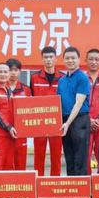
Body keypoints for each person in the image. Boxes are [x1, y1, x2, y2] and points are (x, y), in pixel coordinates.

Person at [58, 47, 92, 176]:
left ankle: (81, 186)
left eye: (73, 58)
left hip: (79, 120)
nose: (70, 60)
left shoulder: (82, 78)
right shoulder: (62, 80)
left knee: (80, 157)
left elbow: (78, 103)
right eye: (67, 58)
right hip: (65, 120)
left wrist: (67, 123)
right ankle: (71, 184)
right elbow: (57, 102)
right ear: (63, 60)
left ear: (79, 60)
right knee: (69, 156)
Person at [29, 46, 63, 176]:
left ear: (56, 59)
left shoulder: (63, 78)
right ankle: (38, 181)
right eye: (46, 57)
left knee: (56, 156)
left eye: (51, 57)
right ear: (42, 59)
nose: (48, 60)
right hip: (39, 123)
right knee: (39, 155)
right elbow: (31, 99)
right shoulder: (34, 78)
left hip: (56, 123)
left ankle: (55, 182)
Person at [7, 58, 31, 171]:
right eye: (10, 70)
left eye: (15, 70)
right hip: (5, 128)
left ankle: (21, 181)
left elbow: (31, 109)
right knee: (7, 160)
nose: (13, 72)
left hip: (21, 130)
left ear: (20, 71)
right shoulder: (0, 88)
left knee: (20, 160)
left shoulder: (26, 89)